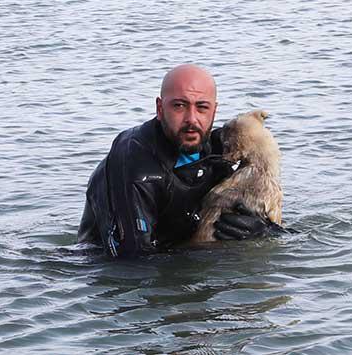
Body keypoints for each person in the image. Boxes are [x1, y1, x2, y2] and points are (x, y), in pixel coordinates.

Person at [78, 64, 276, 258]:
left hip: (179, 250)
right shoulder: (134, 166)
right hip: (99, 263)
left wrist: (263, 230)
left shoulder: (218, 151)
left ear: (214, 111)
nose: (192, 119)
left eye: (202, 107)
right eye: (179, 106)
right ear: (160, 108)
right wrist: (204, 253)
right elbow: (132, 262)